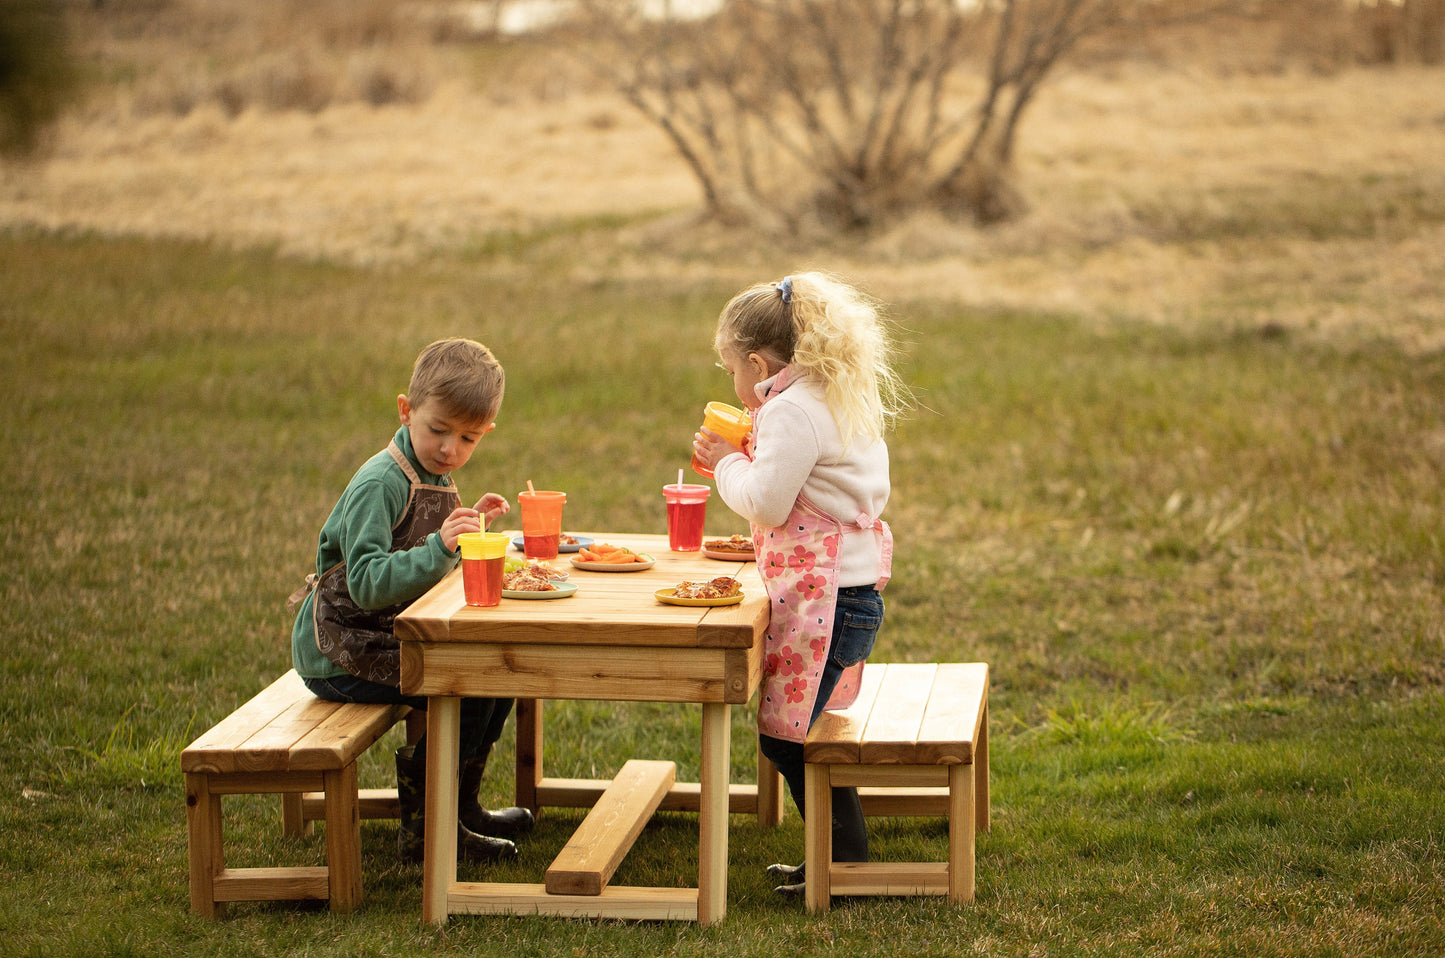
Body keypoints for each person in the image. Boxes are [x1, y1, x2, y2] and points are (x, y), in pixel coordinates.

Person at [692, 271, 908, 897]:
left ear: (757, 362)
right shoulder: (832, 391)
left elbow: (765, 502)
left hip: (827, 601)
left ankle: (843, 866)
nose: (733, 383)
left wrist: (724, 463)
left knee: (791, 739)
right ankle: (834, 859)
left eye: (731, 368)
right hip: (845, 596)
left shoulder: (788, 410)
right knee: (796, 733)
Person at [288, 337, 534, 865]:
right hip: (339, 648)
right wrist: (440, 545)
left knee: (496, 677)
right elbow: (368, 583)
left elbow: (425, 553)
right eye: (438, 430)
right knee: (463, 684)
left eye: (468, 438)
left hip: (383, 637)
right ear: (406, 410)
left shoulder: (435, 473)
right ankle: (426, 832)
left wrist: (470, 530)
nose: (450, 449)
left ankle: (461, 809)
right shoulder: (380, 482)